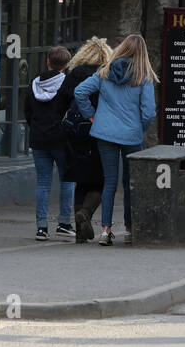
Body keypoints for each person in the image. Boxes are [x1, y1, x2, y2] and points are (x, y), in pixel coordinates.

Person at [73, 34, 158, 246]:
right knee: (131, 182)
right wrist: (141, 127)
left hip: (104, 133)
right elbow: (148, 112)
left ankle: (105, 230)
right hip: (131, 135)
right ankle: (129, 229)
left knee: (109, 181)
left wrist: (91, 115)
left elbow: (80, 91)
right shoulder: (143, 77)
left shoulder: (105, 72)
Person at [55, 37, 113, 243]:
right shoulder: (106, 73)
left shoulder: (75, 73)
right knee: (101, 179)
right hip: (100, 130)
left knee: (81, 180)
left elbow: (60, 100)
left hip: (75, 133)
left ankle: (80, 233)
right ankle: (86, 213)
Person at [24, 45, 74, 241]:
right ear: (67, 64)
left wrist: (37, 127)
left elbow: (27, 111)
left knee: (43, 183)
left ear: (48, 62)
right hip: (61, 139)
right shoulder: (67, 84)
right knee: (67, 180)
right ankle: (64, 223)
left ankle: (41, 227)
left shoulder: (34, 84)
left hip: (39, 139)